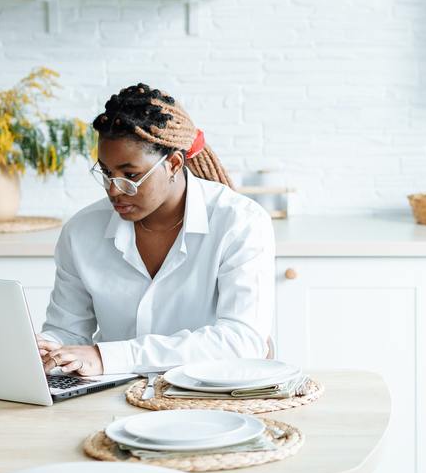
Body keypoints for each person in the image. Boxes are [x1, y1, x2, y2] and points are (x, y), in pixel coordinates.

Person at [37, 83, 275, 376]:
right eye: (106, 173)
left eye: (131, 175)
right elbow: (68, 332)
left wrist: (107, 356)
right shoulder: (81, 232)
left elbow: (242, 340)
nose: (114, 189)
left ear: (174, 163)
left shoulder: (240, 222)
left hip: (209, 401)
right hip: (111, 398)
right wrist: (46, 349)